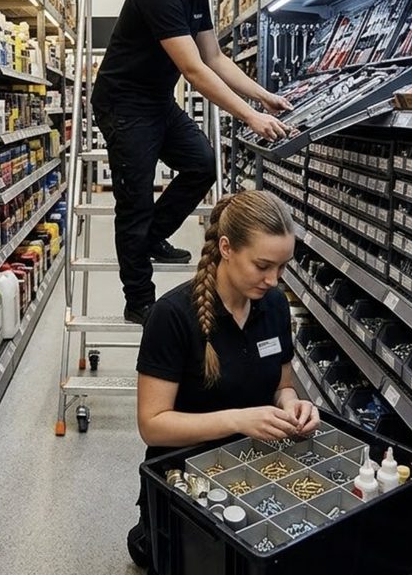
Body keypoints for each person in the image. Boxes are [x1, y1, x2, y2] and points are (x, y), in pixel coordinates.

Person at [91, 0, 294, 325]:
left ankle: (151, 237)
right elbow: (194, 70)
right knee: (135, 201)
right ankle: (139, 300)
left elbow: (214, 58)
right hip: (123, 103)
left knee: (202, 163)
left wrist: (263, 97)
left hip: (156, 101)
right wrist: (249, 117)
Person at [128, 190, 320, 570]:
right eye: (262, 265)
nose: (273, 279)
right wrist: (238, 420)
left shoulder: (274, 305)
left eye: (282, 267)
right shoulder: (172, 316)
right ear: (227, 248)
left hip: (256, 462)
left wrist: (293, 405)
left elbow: (282, 385)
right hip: (187, 476)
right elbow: (153, 425)